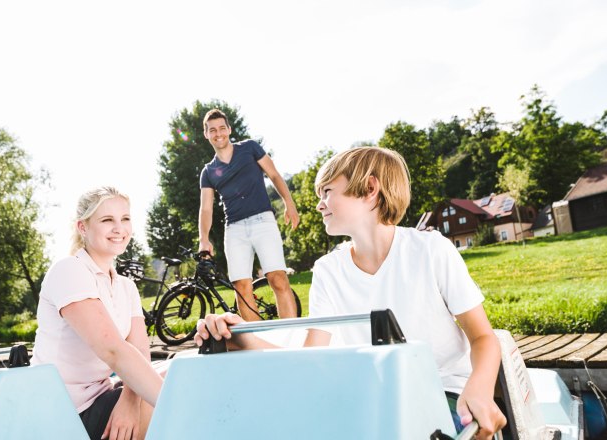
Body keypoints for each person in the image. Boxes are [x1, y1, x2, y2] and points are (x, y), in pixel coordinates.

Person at [195, 147, 507, 439]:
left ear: (370, 190)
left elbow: (483, 337)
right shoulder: (329, 270)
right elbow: (311, 358)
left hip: (442, 393)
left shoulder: (430, 250)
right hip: (371, 402)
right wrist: (243, 336)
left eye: (327, 192)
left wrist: (478, 389)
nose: (319, 204)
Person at [31, 187, 163, 440]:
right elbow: (113, 350)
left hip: (103, 397)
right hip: (63, 413)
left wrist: (129, 402)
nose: (119, 228)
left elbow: (140, 355)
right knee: (164, 399)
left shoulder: (126, 286)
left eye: (125, 219)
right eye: (107, 220)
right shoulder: (69, 270)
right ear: (83, 227)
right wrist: (182, 407)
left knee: (183, 372)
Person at [198, 108, 299, 321]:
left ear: (229, 129)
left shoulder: (250, 148)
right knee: (241, 287)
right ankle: (257, 343)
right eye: (212, 130)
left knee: (277, 278)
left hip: (263, 220)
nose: (218, 134)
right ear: (206, 134)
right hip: (234, 229)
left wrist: (289, 203)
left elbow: (274, 174)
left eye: (222, 128)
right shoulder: (208, 172)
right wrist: (204, 239)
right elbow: (206, 208)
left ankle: (290, 334)